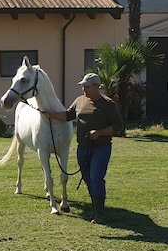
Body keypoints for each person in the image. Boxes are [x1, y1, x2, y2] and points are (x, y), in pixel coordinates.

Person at [41, 72, 124, 223]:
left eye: (87, 86)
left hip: (101, 148)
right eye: (83, 86)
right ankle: (96, 205)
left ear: (97, 86)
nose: (84, 89)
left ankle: (99, 214)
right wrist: (51, 114)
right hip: (83, 148)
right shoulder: (79, 101)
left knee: (96, 178)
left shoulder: (108, 104)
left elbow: (118, 126)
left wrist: (99, 133)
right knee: (87, 178)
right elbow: (67, 115)